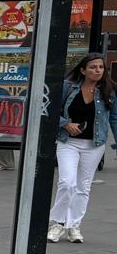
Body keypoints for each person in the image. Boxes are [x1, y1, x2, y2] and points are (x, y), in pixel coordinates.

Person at [49, 53, 117, 243]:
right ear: (83, 70)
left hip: (94, 145)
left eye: (101, 67)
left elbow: (114, 119)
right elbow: (49, 109)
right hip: (68, 142)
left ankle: (73, 226)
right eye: (93, 67)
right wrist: (64, 124)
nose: (97, 71)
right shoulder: (67, 87)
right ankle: (57, 223)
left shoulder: (109, 91)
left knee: (83, 187)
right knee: (67, 182)